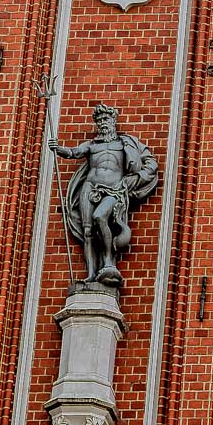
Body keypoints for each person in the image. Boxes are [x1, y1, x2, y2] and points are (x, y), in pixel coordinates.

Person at [50, 103, 158, 287]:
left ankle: (108, 261)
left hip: (114, 189)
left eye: (105, 119)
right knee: (88, 230)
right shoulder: (91, 145)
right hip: (90, 187)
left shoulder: (126, 143)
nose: (102, 123)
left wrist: (136, 179)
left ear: (113, 121)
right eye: (99, 120)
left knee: (100, 216)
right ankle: (91, 274)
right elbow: (73, 153)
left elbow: (151, 163)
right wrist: (57, 148)